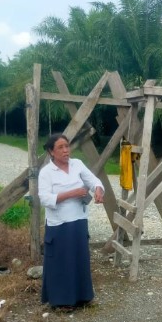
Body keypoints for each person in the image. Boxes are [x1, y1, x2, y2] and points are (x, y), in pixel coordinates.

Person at [38, 133, 104, 311]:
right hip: (59, 224)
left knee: (79, 258)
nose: (66, 150)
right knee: (61, 261)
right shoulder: (46, 172)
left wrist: (98, 190)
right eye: (60, 147)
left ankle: (83, 296)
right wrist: (72, 193)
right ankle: (62, 300)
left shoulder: (77, 164)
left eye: (67, 146)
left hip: (79, 220)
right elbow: (45, 199)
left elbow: (94, 180)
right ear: (51, 152)